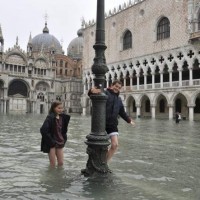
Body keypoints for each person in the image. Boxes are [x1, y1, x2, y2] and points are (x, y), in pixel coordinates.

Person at [89, 80, 135, 162]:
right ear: (111, 85)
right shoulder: (105, 93)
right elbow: (93, 94)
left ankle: (105, 162)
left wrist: (129, 120)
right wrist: (91, 91)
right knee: (103, 146)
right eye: (116, 86)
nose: (117, 88)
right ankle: (100, 162)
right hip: (102, 123)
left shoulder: (119, 100)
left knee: (115, 145)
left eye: (119, 88)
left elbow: (122, 112)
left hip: (113, 125)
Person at [40, 101, 70, 167]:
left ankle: (59, 177)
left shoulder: (63, 118)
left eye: (62, 108)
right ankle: (51, 177)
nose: (61, 110)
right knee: (52, 164)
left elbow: (64, 131)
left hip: (60, 142)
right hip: (52, 143)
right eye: (59, 108)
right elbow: (43, 130)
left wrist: (64, 139)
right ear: (54, 108)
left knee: (61, 163)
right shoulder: (50, 118)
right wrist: (51, 142)